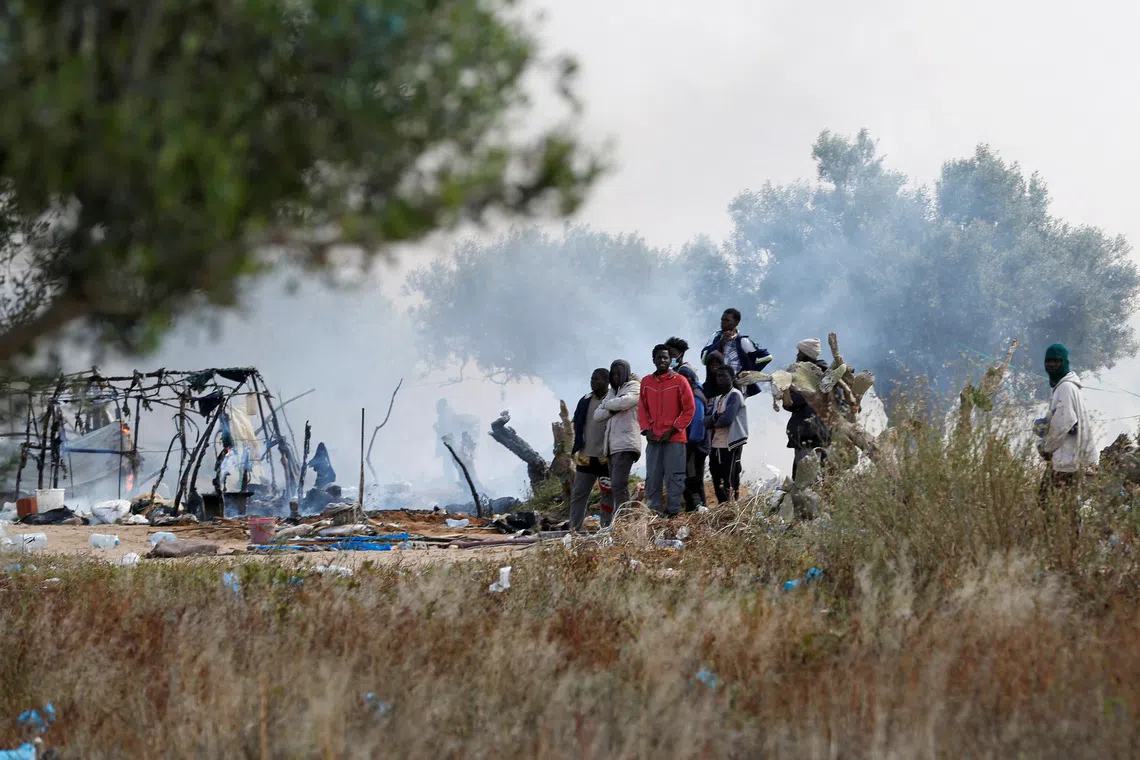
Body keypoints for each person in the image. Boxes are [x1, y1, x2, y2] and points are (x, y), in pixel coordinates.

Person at [1038, 344, 1098, 522]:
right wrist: (1045, 422)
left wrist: (1046, 448)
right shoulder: (1065, 387)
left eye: (1056, 362)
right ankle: (1066, 541)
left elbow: (1063, 424)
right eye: (1049, 362)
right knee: (1063, 504)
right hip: (1068, 456)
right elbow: (1061, 417)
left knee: (1052, 503)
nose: (1052, 366)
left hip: (1068, 459)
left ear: (1065, 363)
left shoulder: (1065, 388)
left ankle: (1064, 542)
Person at [639, 344, 696, 516]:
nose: (662, 360)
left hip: (675, 439)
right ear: (653, 360)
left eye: (666, 357)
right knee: (653, 476)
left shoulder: (680, 381)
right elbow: (642, 409)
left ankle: (674, 512)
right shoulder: (646, 382)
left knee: (675, 477)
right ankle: (654, 512)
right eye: (659, 357)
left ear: (670, 359)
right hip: (654, 439)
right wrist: (646, 430)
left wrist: (672, 430)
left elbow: (689, 409)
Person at [593, 360, 642, 528]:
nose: (615, 377)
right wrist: (612, 405)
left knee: (618, 484)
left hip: (627, 443)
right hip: (613, 446)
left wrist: (609, 405)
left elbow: (626, 402)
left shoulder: (634, 386)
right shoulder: (613, 392)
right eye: (613, 374)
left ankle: (624, 521)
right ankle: (622, 520)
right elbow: (597, 415)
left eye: (618, 373)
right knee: (616, 485)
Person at [568, 368, 613, 532]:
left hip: (606, 458)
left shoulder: (613, 399)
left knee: (608, 494)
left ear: (606, 381)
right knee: (579, 494)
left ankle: (606, 529)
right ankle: (574, 530)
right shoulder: (585, 400)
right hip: (586, 455)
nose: (592, 382)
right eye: (592, 379)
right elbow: (576, 421)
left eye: (597, 380)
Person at [783, 339, 831, 481]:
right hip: (823, 435)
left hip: (807, 435)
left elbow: (791, 403)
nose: (797, 356)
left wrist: (786, 392)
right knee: (820, 477)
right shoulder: (828, 376)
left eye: (800, 353)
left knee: (806, 481)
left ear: (807, 355)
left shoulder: (807, 377)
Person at [700, 308, 772, 397]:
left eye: (727, 320)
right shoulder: (716, 337)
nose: (723, 322)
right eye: (722, 320)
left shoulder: (742, 341)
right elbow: (704, 360)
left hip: (736, 386)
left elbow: (767, 357)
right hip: (716, 384)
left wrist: (748, 372)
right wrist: (720, 343)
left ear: (736, 322)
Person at [706, 366, 748, 503]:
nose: (720, 379)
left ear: (732, 378)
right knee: (716, 476)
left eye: (724, 376)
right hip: (717, 443)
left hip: (731, 443)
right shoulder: (719, 398)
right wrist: (715, 418)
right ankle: (722, 507)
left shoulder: (735, 395)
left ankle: (731, 507)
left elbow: (726, 419)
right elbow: (705, 421)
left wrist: (714, 419)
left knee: (729, 477)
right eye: (718, 377)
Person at [677, 364, 709, 511]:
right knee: (693, 479)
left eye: (686, 377)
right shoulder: (690, 393)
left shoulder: (695, 396)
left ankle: (699, 510)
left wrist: (689, 446)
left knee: (693, 479)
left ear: (691, 378)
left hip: (695, 446)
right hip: (693, 444)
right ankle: (695, 509)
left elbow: (697, 424)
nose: (683, 379)